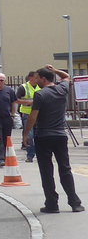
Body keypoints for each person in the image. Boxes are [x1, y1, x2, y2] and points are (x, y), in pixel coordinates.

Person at [22, 65, 83, 214]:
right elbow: (67, 77)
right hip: (60, 135)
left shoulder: (40, 95)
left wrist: (26, 134)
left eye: (37, 78)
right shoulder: (62, 89)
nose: (35, 80)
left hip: (43, 136)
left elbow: (33, 116)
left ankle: (52, 204)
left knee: (46, 170)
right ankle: (74, 203)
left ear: (43, 79)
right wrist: (54, 70)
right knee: (65, 168)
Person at [17, 70, 40, 161]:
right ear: (30, 78)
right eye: (36, 77)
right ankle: (30, 155)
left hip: (39, 114)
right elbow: (16, 100)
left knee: (38, 135)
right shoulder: (23, 87)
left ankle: (39, 154)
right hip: (27, 114)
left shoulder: (40, 86)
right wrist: (27, 102)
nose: (37, 79)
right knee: (30, 135)